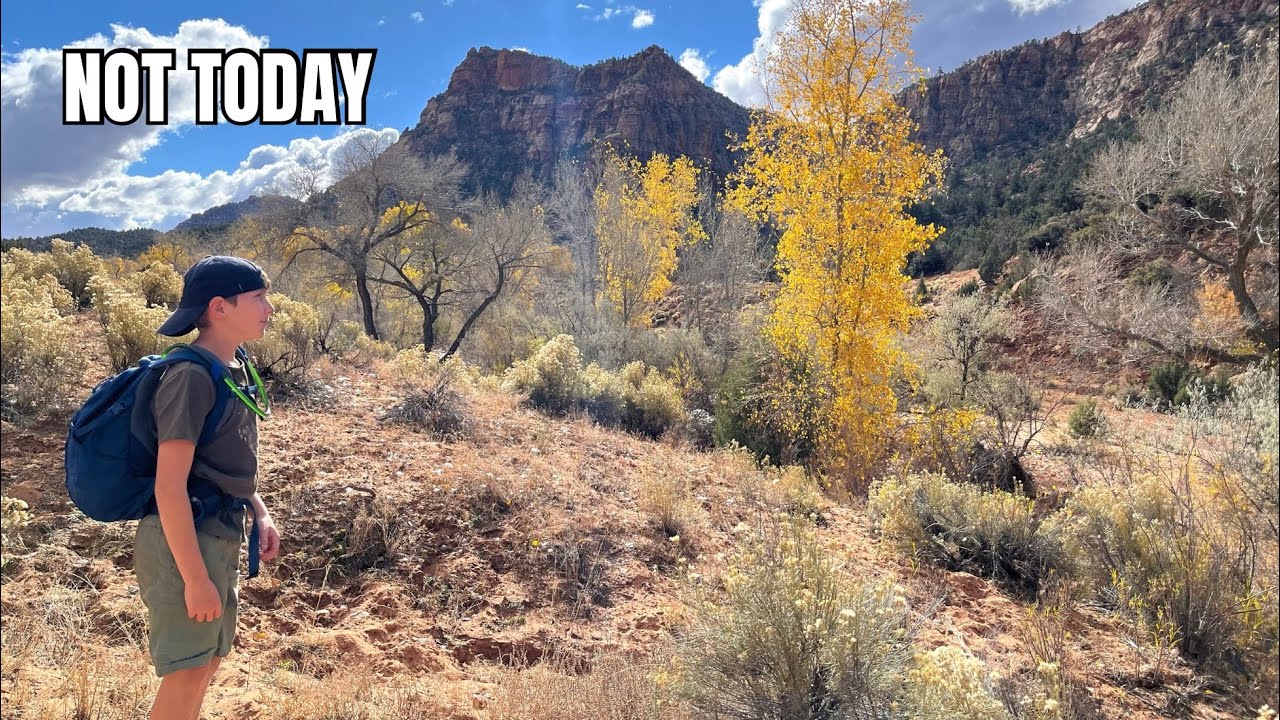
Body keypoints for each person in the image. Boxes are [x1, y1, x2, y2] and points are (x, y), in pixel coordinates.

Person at [133, 255, 281, 720]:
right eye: (258, 298)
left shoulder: (233, 366)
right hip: (184, 545)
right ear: (219, 307)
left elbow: (221, 463)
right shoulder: (190, 378)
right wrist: (196, 579)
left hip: (216, 535)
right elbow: (169, 486)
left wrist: (258, 510)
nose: (269, 308)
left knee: (208, 662)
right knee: (188, 673)